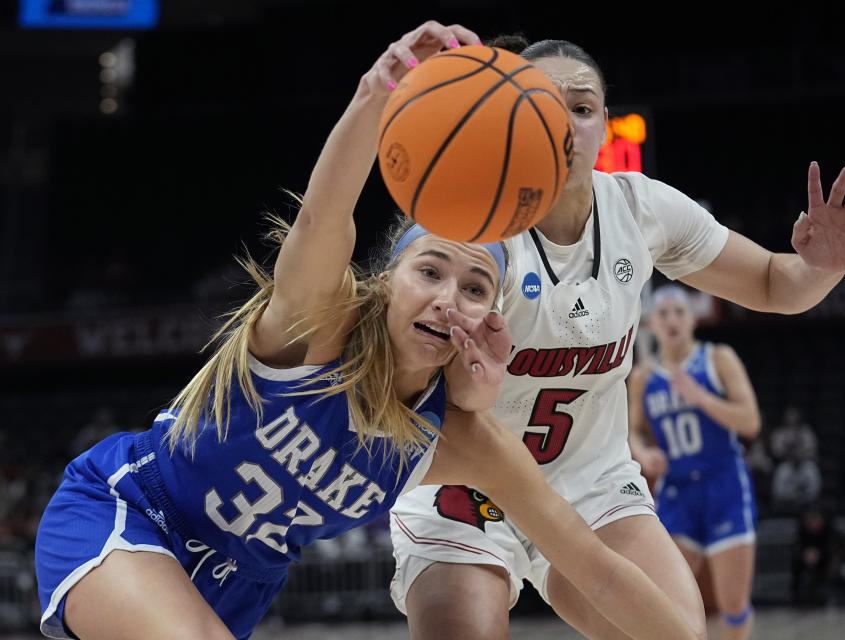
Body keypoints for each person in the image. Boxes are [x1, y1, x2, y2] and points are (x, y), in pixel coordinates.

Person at [33, 22, 698, 640]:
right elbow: (324, 219)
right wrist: (376, 91)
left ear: (493, 322)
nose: (447, 299)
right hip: (132, 511)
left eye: (473, 289)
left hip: (239, 579)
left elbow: (596, 568)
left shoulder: (459, 438)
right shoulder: (315, 331)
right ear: (385, 284)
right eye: (430, 271)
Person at [389, 31, 845, 640]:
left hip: (590, 483)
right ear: (511, 121)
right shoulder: (470, 224)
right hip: (468, 480)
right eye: (547, 106)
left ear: (604, 125)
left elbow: (772, 284)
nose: (569, 124)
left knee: (678, 630)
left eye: (584, 108)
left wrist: (822, 267)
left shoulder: (640, 208)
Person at [626, 284, 761, 640]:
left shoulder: (718, 359)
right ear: (651, 323)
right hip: (677, 490)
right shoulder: (643, 377)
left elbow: (750, 421)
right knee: (668, 601)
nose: (671, 320)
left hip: (724, 485)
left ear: (692, 318)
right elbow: (632, 432)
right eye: (663, 313)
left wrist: (699, 397)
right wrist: (642, 453)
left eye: (679, 312)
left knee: (732, 603)